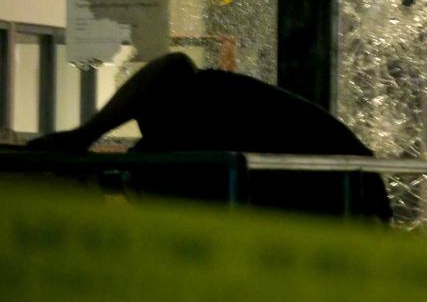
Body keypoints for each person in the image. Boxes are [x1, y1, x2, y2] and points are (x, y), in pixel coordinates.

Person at [28, 51, 392, 221]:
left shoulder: (194, 124)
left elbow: (172, 69)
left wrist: (83, 137)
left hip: (340, 193)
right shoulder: (207, 133)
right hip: (342, 191)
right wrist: (82, 137)